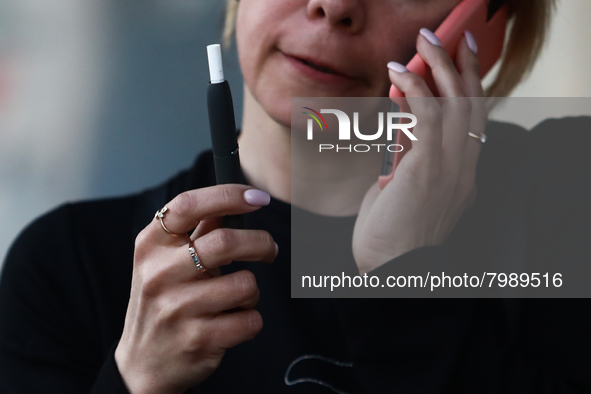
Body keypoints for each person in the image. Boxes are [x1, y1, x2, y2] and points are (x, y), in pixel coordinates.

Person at [1, 0, 591, 393]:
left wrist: (404, 281)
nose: (334, 6)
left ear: (485, 23)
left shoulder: (561, 205)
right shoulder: (66, 263)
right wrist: (132, 382)